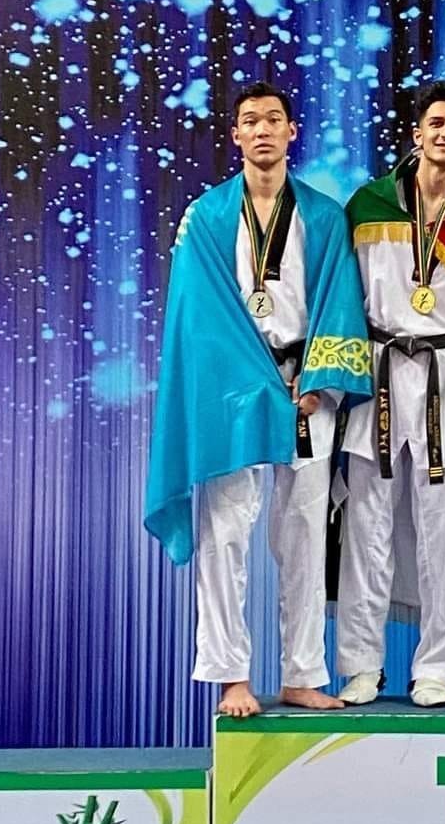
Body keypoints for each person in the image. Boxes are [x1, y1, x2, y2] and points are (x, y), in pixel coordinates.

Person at [144, 81, 372, 717]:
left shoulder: (324, 215)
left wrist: (320, 379)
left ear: (292, 131)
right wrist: (253, 382)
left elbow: (340, 301)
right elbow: (199, 315)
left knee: (305, 532)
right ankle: (231, 676)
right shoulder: (206, 216)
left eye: (274, 118)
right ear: (236, 135)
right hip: (234, 392)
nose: (263, 129)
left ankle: (303, 673)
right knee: (224, 531)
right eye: (251, 120)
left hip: (306, 389)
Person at [335, 81, 445, 708]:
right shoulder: (369, 204)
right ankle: (361, 665)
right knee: (366, 530)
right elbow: (340, 299)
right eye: (437, 122)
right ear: (416, 133)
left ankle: (437, 668)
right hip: (380, 370)